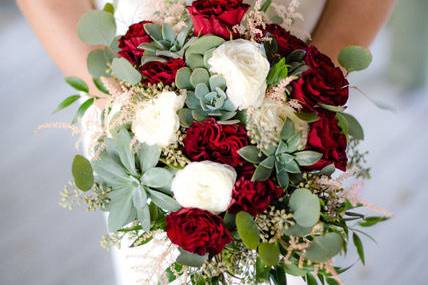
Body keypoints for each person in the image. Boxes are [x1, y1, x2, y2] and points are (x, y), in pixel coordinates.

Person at [17, 0, 394, 284]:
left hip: (291, 82)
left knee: (286, 259)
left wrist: (302, 90)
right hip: (135, 101)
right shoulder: (133, 121)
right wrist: (124, 108)